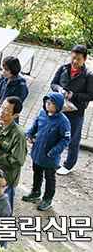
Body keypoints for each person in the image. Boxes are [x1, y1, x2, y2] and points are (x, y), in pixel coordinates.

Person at [22, 92, 70, 211]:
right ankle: (35, 191)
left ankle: (48, 198)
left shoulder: (63, 121)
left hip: (50, 156)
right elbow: (35, 126)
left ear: (58, 105)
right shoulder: (42, 113)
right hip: (38, 152)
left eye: (51, 103)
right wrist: (29, 134)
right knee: (36, 172)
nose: (48, 105)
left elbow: (65, 140)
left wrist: (54, 152)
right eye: (47, 102)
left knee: (49, 177)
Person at [50, 44, 93, 175]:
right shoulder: (63, 69)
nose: (75, 61)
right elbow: (53, 83)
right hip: (59, 109)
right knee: (55, 135)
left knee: (73, 139)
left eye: (78, 59)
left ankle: (68, 165)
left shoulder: (88, 75)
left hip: (76, 112)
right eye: (73, 57)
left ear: (85, 59)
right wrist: (59, 89)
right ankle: (54, 160)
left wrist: (74, 95)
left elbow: (90, 95)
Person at [0, 96, 27, 213]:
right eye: (2, 107)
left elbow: (17, 161)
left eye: (7, 110)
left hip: (6, 181)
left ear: (15, 115)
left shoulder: (18, 135)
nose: (2, 111)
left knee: (4, 213)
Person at [0, 56, 28, 125]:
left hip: (8, 119)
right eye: (3, 69)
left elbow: (14, 107)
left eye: (6, 70)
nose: (3, 72)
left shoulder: (21, 86)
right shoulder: (3, 78)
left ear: (13, 71)